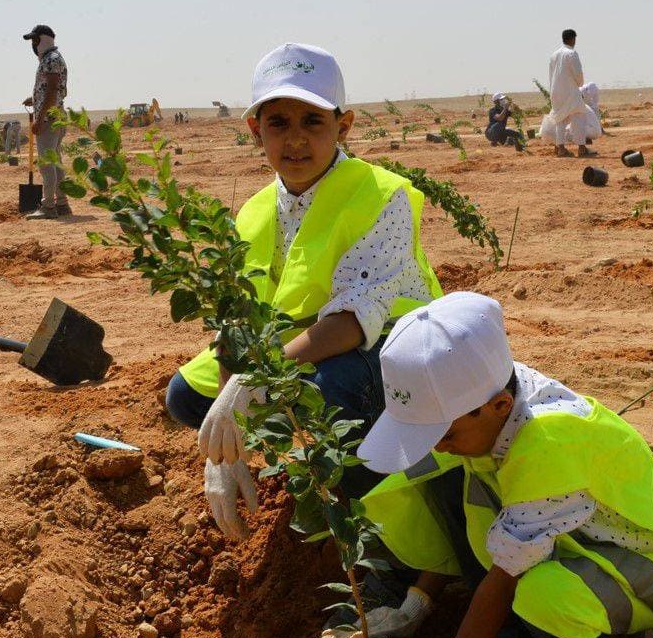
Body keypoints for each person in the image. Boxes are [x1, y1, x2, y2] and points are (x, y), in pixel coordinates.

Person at [321, 292, 653, 638]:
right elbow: (467, 517)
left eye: (443, 433)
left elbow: (507, 570)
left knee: (544, 599)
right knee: (437, 483)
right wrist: (417, 602)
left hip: (640, 571)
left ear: (499, 406)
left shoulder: (548, 440)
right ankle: (527, 632)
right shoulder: (483, 403)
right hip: (567, 545)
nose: (438, 443)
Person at [163, 42, 444, 540]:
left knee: (331, 388)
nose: (295, 140)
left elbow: (355, 319)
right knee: (189, 397)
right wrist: (227, 438)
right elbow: (236, 320)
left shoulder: (382, 195)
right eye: (278, 123)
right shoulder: (252, 212)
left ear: (345, 125)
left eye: (313, 122)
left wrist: (253, 384)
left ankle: (367, 527)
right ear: (255, 131)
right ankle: (291, 471)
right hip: (301, 347)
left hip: (390, 348)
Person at [22, 23, 71, 218]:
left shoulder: (51, 60)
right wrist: (34, 100)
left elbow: (52, 91)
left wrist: (39, 119)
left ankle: (48, 206)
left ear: (42, 39)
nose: (33, 44)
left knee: (47, 164)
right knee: (56, 162)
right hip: (56, 116)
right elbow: (54, 90)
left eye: (35, 39)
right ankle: (62, 204)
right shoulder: (53, 59)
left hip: (49, 119)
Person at [540, 30, 599, 157]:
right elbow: (578, 74)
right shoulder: (571, 53)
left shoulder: (554, 55)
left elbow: (551, 75)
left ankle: (561, 149)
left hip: (556, 92)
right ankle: (582, 148)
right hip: (570, 91)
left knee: (560, 120)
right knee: (579, 116)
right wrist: (580, 83)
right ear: (573, 39)